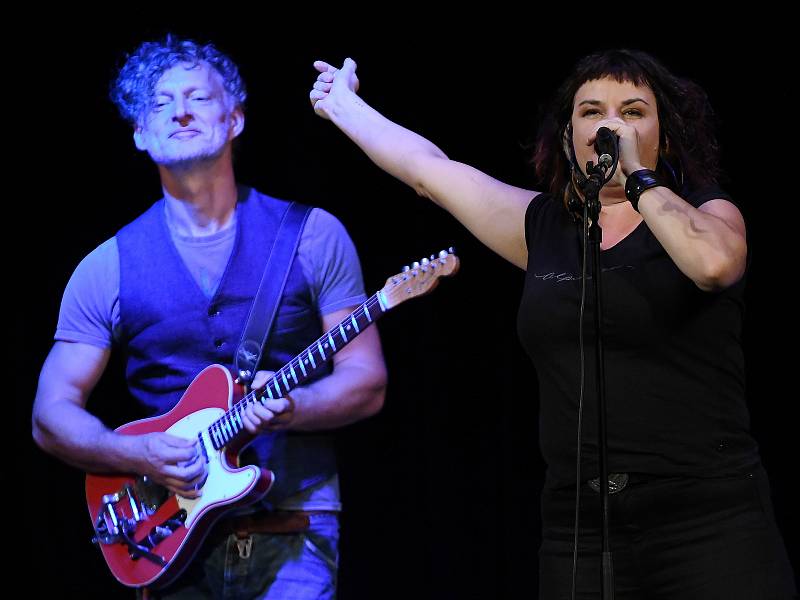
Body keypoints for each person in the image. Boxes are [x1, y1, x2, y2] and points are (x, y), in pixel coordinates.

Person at [309, 50, 796, 598]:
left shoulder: (708, 213)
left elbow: (713, 265)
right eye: (592, 111)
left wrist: (638, 176)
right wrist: (345, 107)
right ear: (569, 134)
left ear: (664, 134)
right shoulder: (543, 228)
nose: (611, 124)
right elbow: (431, 171)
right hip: (580, 524)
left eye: (633, 111)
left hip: (707, 520)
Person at [31, 35, 387, 599]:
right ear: (140, 135)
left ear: (235, 119)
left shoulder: (315, 236)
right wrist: (132, 452)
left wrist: (293, 408)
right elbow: (50, 414)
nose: (180, 110)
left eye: (198, 97)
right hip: (163, 534)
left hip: (293, 528)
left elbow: (366, 383)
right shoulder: (107, 267)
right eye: (159, 104)